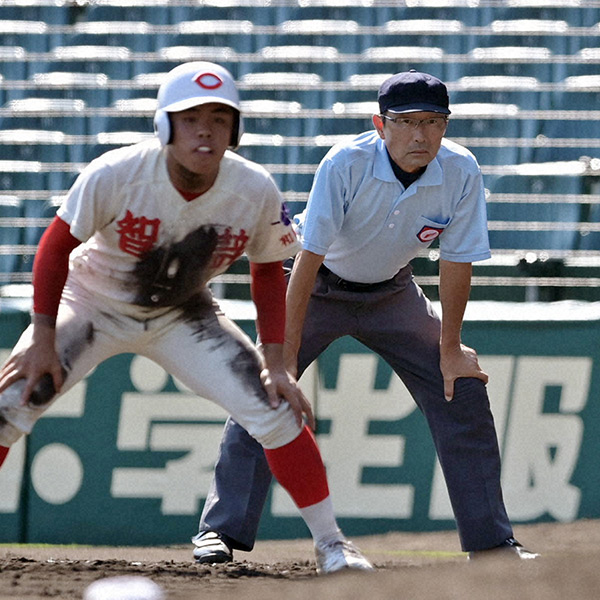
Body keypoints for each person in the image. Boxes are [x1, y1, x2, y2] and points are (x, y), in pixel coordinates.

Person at [0, 61, 374, 575]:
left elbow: (268, 272)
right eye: (191, 117)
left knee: (274, 406)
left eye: (220, 118)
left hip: (184, 311)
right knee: (13, 399)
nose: (206, 129)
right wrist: (43, 337)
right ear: (164, 125)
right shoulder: (118, 172)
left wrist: (277, 361)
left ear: (235, 130)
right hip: (93, 302)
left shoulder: (253, 188)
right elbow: (54, 248)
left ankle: (334, 545)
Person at [193, 70, 539, 563]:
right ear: (380, 125)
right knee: (267, 387)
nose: (422, 134)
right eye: (407, 122)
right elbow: (308, 258)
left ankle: (492, 543)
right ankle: (220, 533)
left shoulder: (461, 170)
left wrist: (449, 349)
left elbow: (456, 262)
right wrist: (284, 355)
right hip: (319, 286)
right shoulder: (346, 162)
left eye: (434, 122)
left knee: (460, 386)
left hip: (392, 293)